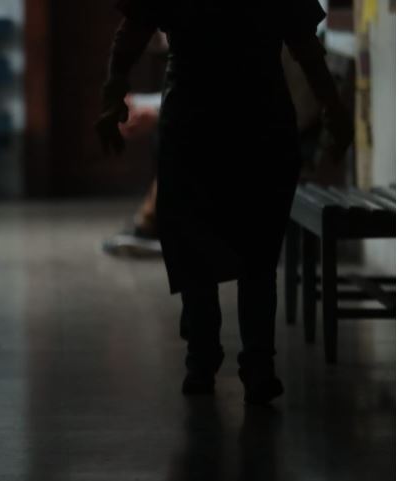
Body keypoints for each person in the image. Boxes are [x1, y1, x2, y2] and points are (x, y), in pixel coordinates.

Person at [97, 0, 352, 404]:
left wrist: (113, 90)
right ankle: (254, 364)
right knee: (258, 250)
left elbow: (133, 29)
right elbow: (304, 43)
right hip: (259, 116)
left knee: (197, 241)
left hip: (197, 118)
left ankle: (204, 357)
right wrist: (334, 109)